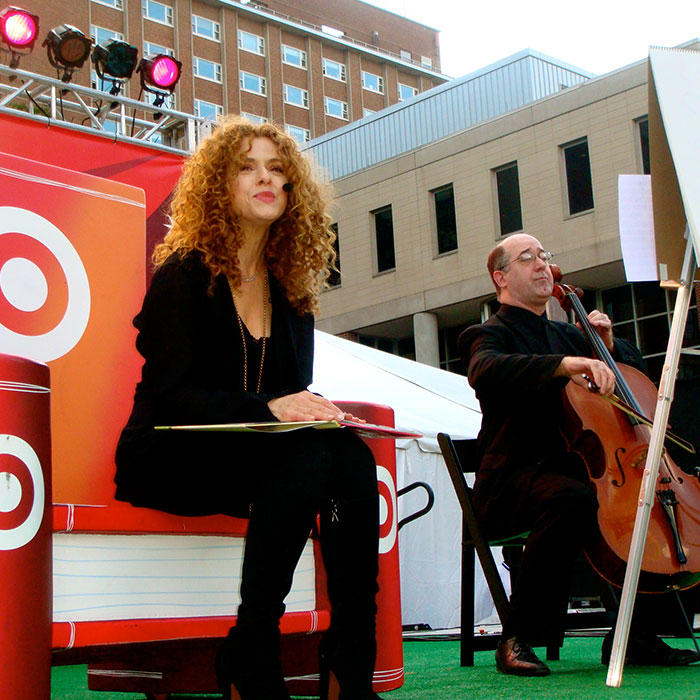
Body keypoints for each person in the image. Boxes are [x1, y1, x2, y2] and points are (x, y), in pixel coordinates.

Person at [114, 116, 383, 700]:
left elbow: (288, 406)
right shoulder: (183, 273)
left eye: (278, 169)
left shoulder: (291, 292)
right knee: (310, 458)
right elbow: (173, 399)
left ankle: (351, 647)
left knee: (350, 458)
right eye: (247, 167)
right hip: (172, 450)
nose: (266, 178)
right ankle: (253, 645)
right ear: (220, 186)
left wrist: (314, 410)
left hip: (256, 457)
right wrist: (275, 408)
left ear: (293, 191)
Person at [458, 232, 700, 676]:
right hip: (514, 480)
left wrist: (607, 346)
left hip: (586, 475)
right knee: (573, 500)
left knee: (649, 506)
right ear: (501, 277)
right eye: (527, 257)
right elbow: (485, 370)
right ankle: (518, 636)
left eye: (544, 256)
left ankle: (638, 634)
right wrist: (565, 365)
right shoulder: (488, 334)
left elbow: (636, 388)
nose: (541, 264)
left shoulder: (569, 334)